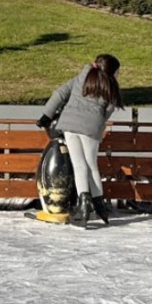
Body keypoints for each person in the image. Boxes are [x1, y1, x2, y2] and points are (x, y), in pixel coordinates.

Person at [37, 54, 122, 225]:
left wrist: (46, 115)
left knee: (79, 165)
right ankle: (99, 206)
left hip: (69, 125)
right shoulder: (111, 85)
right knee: (92, 166)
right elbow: (109, 109)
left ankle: (84, 206)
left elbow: (60, 93)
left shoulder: (81, 78)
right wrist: (98, 122)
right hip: (90, 128)